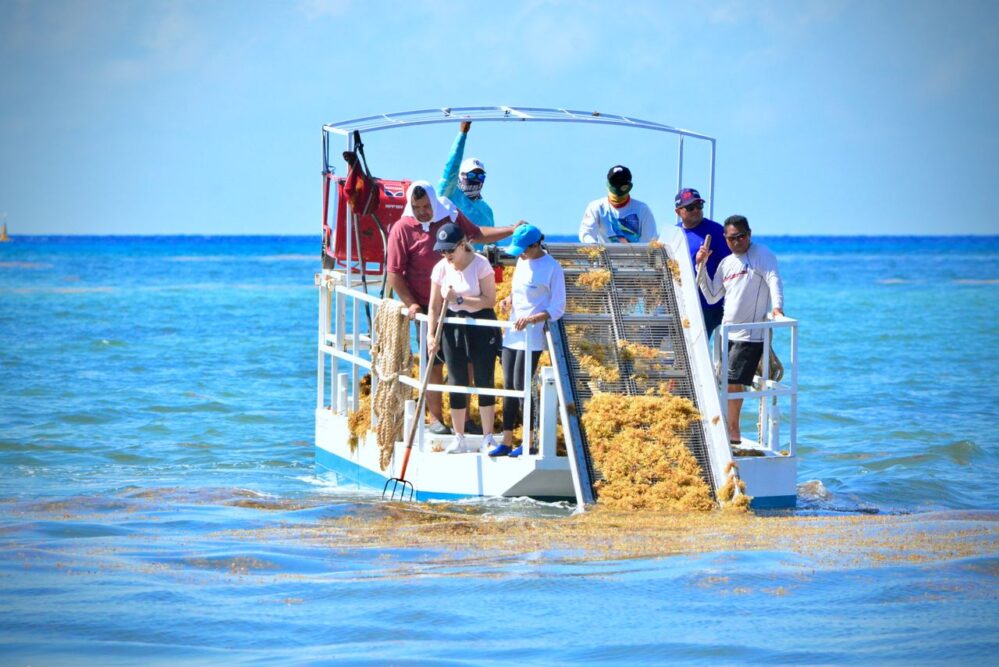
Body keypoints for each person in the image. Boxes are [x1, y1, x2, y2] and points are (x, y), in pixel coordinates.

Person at [386, 181, 519, 434]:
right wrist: (411, 303)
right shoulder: (402, 229)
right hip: (428, 306)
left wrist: (511, 230)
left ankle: (465, 419)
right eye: (417, 207)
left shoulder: (449, 218)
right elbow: (394, 272)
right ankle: (436, 419)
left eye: (426, 206)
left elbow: (477, 234)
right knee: (433, 361)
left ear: (433, 202)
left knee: (464, 363)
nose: (423, 212)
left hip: (459, 306)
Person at [695, 215, 784, 445]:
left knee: (734, 381)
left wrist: (777, 308)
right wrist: (701, 267)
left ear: (749, 234)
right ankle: (727, 427)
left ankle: (732, 432)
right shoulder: (726, 263)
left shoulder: (762, 255)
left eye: (740, 236)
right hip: (728, 333)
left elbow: (774, 280)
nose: (736, 242)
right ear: (725, 239)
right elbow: (712, 295)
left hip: (750, 333)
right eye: (731, 238)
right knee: (726, 381)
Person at [489, 224, 566, 458]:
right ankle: (507, 439)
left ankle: (530, 439)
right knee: (509, 386)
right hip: (512, 331)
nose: (520, 254)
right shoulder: (522, 261)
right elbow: (521, 290)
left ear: (535, 245)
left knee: (523, 386)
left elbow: (558, 307)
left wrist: (534, 318)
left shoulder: (552, 268)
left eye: (524, 249)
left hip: (531, 335)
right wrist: (508, 299)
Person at [426, 224, 500, 453]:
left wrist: (459, 299)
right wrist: (430, 334)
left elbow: (490, 300)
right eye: (442, 251)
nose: (446, 255)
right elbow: (433, 306)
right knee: (457, 381)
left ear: (462, 245)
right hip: (452, 327)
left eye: (450, 250)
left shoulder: (480, 263)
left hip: (480, 325)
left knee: (483, 378)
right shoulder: (441, 268)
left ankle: (489, 437)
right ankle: (459, 438)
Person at [674, 187, 731, 339]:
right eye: (690, 207)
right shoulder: (674, 235)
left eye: (699, 205)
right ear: (678, 211)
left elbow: (730, 265)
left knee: (700, 347)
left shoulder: (716, 231)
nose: (696, 210)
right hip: (683, 303)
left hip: (710, 305)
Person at [438, 121, 494, 235]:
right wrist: (462, 134)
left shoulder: (487, 210)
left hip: (476, 253)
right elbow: (451, 168)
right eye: (472, 175)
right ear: (460, 176)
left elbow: (492, 241)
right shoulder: (450, 194)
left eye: (481, 176)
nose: (476, 180)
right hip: (449, 251)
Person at [578, 165, 657, 244]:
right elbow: (586, 232)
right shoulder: (596, 207)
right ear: (608, 184)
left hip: (636, 255)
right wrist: (593, 246)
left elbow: (650, 240)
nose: (617, 189)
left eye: (621, 184)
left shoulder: (642, 209)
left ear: (628, 186)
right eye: (614, 183)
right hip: (605, 255)